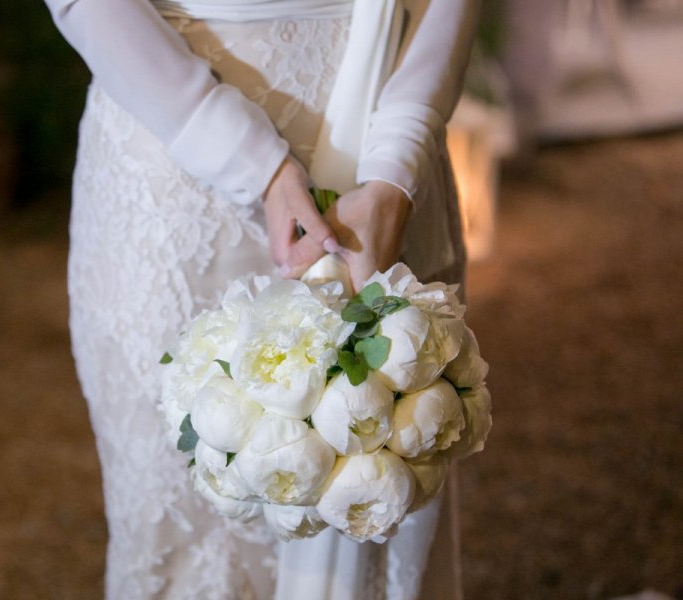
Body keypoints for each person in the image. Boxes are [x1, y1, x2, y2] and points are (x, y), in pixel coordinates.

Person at [44, 0, 479, 597]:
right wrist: (253, 161)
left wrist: (398, 164)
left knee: (377, 481)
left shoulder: (391, 182)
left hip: (382, 155)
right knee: (187, 525)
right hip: (173, 169)